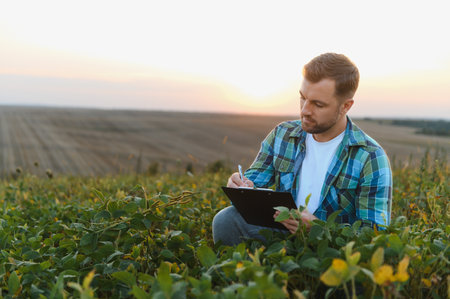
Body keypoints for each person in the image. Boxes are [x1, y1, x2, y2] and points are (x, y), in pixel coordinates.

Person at [212, 53, 392, 246]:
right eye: (303, 98)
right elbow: (253, 184)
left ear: (345, 106)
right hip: (281, 235)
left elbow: (373, 236)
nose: (305, 110)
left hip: (331, 249)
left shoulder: (370, 157)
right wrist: (241, 188)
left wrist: (320, 229)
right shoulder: (282, 134)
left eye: (318, 104)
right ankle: (244, 274)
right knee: (226, 220)